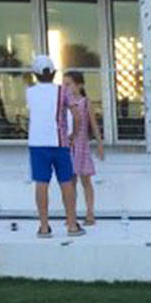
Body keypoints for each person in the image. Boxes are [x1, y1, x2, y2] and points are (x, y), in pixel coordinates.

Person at [26, 54, 82, 237]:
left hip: (37, 144)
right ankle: (72, 225)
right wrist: (73, 134)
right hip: (60, 142)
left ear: (35, 74)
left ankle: (43, 226)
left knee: (41, 183)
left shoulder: (30, 92)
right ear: (54, 73)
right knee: (66, 182)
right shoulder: (62, 92)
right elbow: (77, 115)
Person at [62, 71, 104, 226]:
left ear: (79, 85)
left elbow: (93, 124)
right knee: (70, 182)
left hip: (82, 146)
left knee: (86, 181)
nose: (65, 87)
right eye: (63, 84)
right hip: (68, 146)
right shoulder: (63, 102)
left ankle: (90, 213)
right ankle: (70, 215)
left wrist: (99, 144)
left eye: (68, 84)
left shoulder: (85, 102)